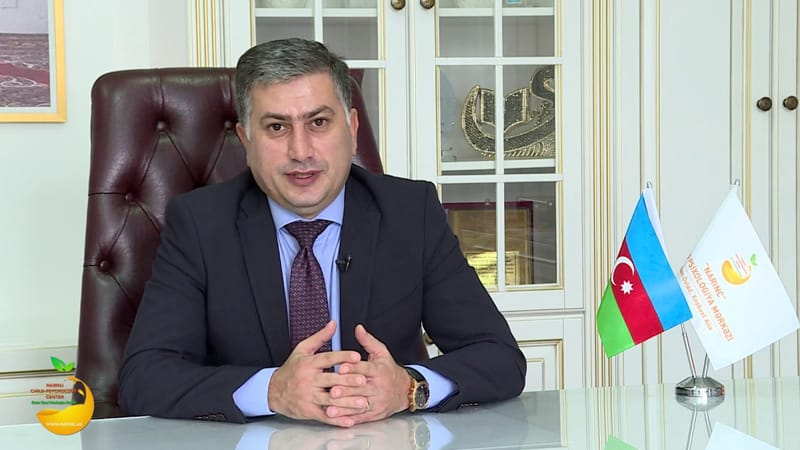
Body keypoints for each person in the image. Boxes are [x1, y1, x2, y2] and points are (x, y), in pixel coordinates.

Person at [118, 38, 525, 427]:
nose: (301, 151)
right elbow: (144, 377)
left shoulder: (409, 213)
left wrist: (410, 387)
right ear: (246, 140)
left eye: (318, 122)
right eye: (277, 127)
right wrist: (272, 390)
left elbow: (500, 358)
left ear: (351, 128)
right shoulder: (199, 224)